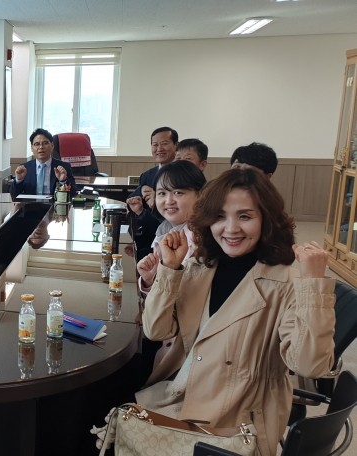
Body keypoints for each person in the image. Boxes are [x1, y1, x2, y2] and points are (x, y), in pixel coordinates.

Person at [99, 168, 335, 456]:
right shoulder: (200, 267)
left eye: (245, 216)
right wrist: (169, 270)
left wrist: (314, 286)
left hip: (236, 421)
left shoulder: (287, 283)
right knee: (96, 408)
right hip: (181, 394)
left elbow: (311, 366)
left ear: (267, 219)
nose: (231, 229)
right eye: (220, 217)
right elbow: (156, 330)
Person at [133, 160, 206, 386]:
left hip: (180, 346)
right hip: (161, 327)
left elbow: (182, 303)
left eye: (178, 192)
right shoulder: (168, 229)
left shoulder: (198, 240)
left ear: (200, 195)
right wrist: (150, 280)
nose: (169, 200)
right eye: (162, 193)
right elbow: (164, 291)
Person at [126, 127, 178, 261]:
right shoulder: (147, 175)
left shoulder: (182, 175)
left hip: (171, 241)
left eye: (164, 144)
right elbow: (130, 200)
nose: (159, 149)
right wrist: (142, 188)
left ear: (176, 145)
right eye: (155, 145)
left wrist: (159, 197)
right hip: (146, 237)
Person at [10, 128, 76, 198]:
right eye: (37, 144)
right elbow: (13, 195)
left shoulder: (64, 167)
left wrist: (63, 181)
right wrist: (19, 180)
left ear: (52, 146)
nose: (41, 147)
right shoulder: (24, 168)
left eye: (45, 143)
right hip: (30, 204)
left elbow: (74, 193)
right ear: (32, 148)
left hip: (54, 204)